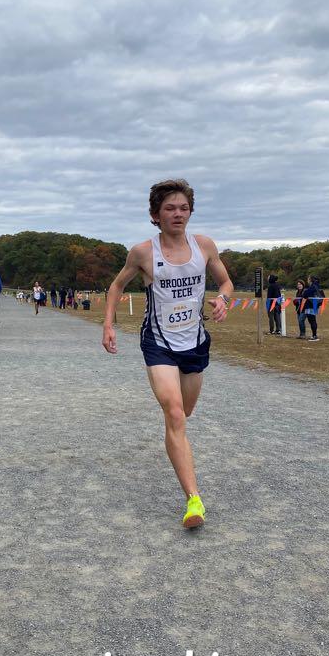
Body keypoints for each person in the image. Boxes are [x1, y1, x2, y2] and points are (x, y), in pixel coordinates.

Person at [102, 179, 234, 530]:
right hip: (158, 342)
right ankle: (194, 500)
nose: (178, 214)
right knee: (175, 413)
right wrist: (108, 324)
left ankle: (175, 437)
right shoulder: (143, 252)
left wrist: (223, 299)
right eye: (170, 208)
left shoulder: (204, 246)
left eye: (183, 208)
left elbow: (226, 282)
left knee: (183, 413)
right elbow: (116, 286)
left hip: (195, 342)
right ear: (155, 215)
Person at [301, 275, 322, 341]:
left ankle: (314, 335)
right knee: (312, 320)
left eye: (308, 279)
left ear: (310, 280)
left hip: (311, 306)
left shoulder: (313, 286)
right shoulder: (317, 286)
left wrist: (305, 293)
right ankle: (314, 335)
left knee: (312, 321)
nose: (307, 280)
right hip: (314, 305)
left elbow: (305, 294)